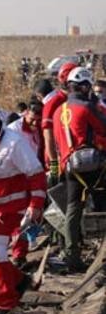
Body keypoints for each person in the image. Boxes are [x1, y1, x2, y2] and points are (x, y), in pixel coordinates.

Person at [0, 105, 45, 314]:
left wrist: (36, 205)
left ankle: (7, 302)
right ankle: (20, 281)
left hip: (7, 210)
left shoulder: (14, 144)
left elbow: (36, 174)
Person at [53, 68, 106, 272]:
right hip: (92, 165)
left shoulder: (59, 111)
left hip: (69, 166)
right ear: (84, 86)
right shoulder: (86, 108)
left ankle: (71, 253)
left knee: (73, 210)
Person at [42, 62, 77, 186]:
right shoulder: (54, 104)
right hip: (59, 160)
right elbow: (48, 136)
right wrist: (54, 167)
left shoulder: (78, 100)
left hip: (75, 158)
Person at [6, 100, 44, 166]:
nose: (35, 123)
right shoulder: (13, 130)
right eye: (32, 119)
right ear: (26, 113)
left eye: (39, 120)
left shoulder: (42, 129)